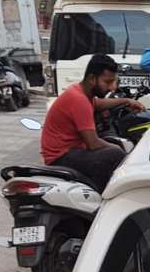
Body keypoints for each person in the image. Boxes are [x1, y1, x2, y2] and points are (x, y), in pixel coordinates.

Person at [40, 54, 143, 193]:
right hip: (61, 156)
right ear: (92, 79)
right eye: (107, 82)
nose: (112, 88)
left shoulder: (80, 92)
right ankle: (102, 197)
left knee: (114, 145)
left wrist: (126, 101)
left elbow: (98, 103)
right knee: (116, 155)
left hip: (70, 150)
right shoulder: (79, 100)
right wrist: (121, 152)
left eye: (113, 82)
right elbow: (93, 143)